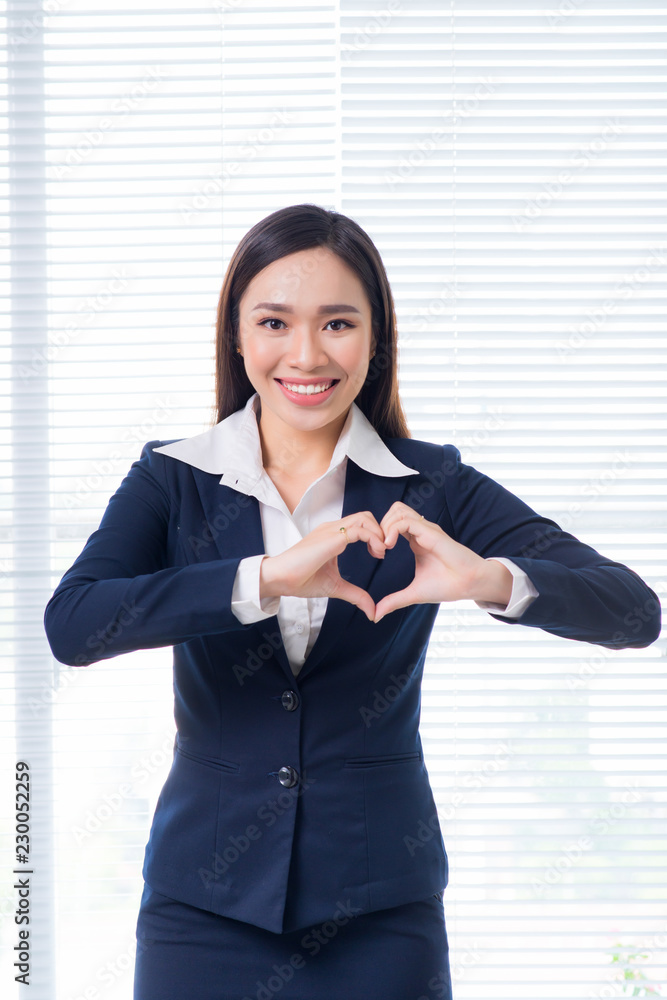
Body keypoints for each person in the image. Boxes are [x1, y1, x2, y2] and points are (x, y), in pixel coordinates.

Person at [43, 203, 661, 1000]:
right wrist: (264, 577)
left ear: (375, 340)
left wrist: (486, 579)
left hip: (380, 911)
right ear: (237, 334)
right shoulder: (172, 478)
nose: (305, 354)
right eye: (273, 322)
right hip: (201, 909)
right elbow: (76, 623)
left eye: (337, 323)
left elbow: (633, 612)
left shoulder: (431, 483)